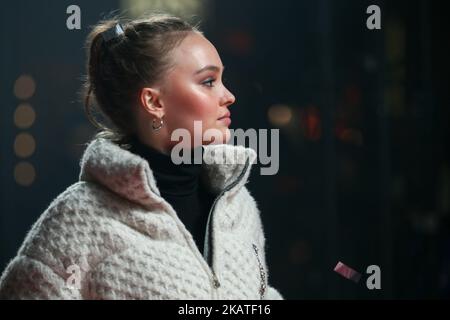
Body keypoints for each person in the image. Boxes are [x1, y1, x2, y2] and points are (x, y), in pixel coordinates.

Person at [0, 13, 283, 300]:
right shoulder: (79, 219)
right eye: (209, 81)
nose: (229, 95)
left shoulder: (238, 207)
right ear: (154, 102)